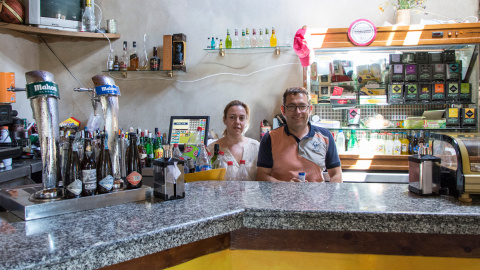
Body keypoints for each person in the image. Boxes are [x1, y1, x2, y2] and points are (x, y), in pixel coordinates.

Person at [256, 87, 342, 183]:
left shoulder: (326, 137)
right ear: (283, 110)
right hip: (282, 197)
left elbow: (336, 174)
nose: (297, 112)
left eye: (302, 106)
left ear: (310, 110)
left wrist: (330, 196)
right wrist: (285, 186)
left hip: (317, 197)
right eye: (291, 106)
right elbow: (261, 176)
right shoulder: (269, 138)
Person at [207, 100, 259, 180]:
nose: (237, 122)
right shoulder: (211, 150)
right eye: (232, 117)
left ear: (246, 121)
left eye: (241, 118)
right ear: (225, 120)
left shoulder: (257, 147)